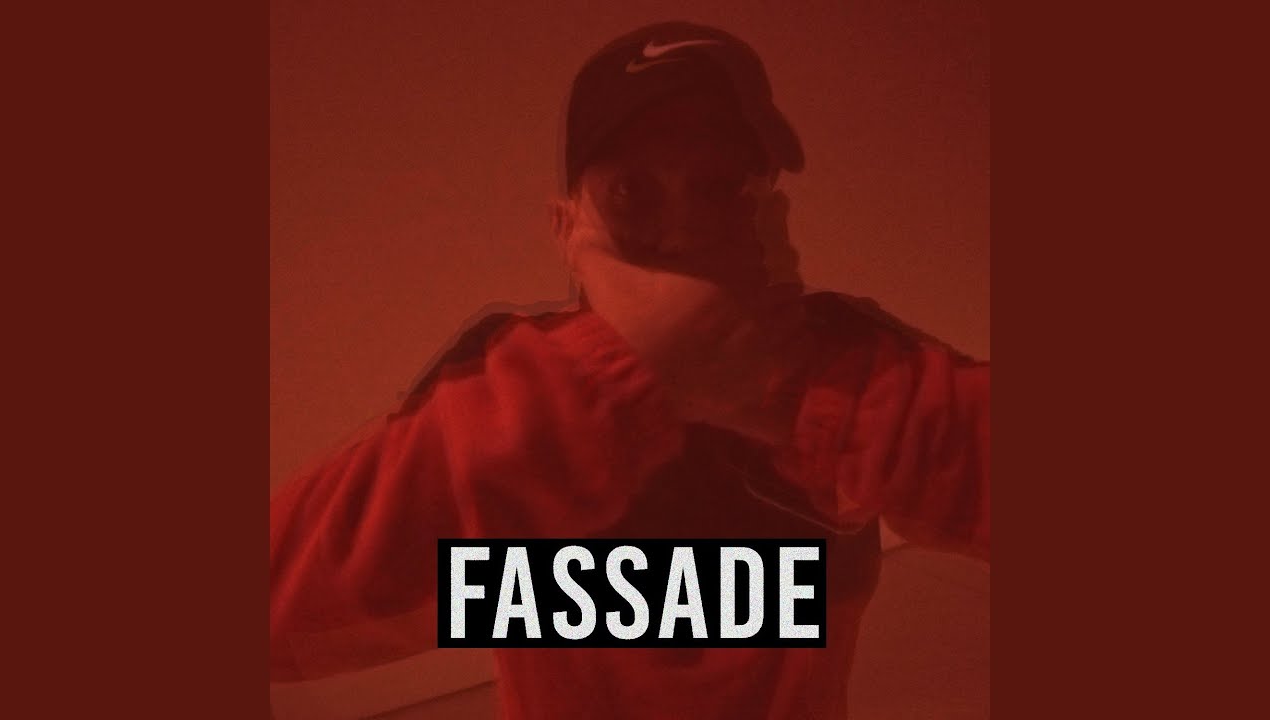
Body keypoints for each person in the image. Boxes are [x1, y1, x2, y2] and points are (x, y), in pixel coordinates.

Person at [270, 20, 989, 720]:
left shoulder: (841, 358)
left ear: (770, 206)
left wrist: (807, 398)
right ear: (566, 227)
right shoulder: (501, 381)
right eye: (630, 194)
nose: (680, 232)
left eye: (718, 186)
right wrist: (610, 379)